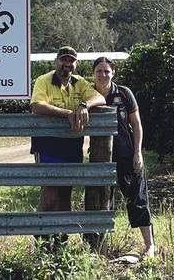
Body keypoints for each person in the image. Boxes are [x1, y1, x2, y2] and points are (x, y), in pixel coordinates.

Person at [30, 46, 107, 251]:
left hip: (72, 145)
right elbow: (37, 106)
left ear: (76, 63)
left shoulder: (79, 82)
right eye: (63, 59)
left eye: (71, 60)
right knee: (49, 197)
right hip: (47, 144)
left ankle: (61, 245)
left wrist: (84, 105)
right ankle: (42, 245)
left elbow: (100, 98)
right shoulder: (43, 81)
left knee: (65, 197)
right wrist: (67, 114)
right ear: (56, 62)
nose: (67, 63)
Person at [92, 56, 156, 259]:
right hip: (101, 160)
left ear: (113, 73)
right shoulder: (87, 94)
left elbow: (136, 125)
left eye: (106, 71)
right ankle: (99, 249)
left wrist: (138, 152)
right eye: (99, 71)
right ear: (93, 73)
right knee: (101, 202)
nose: (103, 75)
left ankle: (150, 246)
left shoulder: (124, 93)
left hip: (127, 155)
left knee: (137, 200)